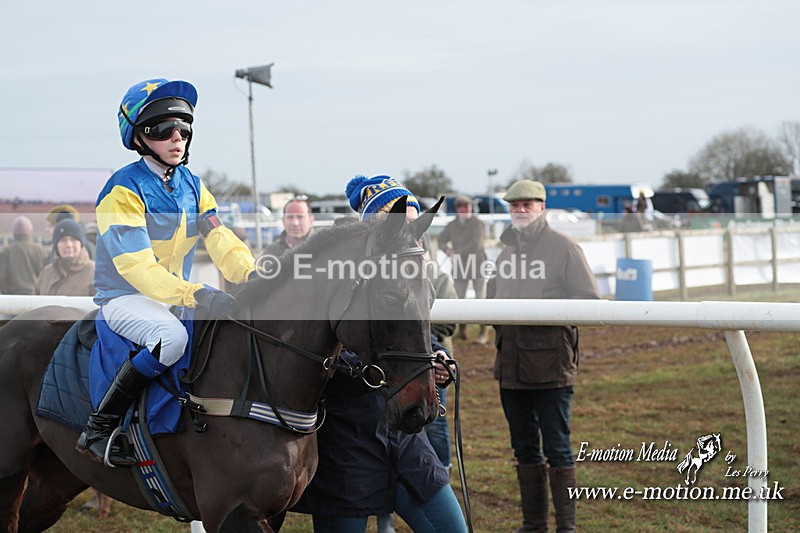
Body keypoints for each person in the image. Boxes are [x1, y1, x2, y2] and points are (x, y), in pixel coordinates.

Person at [77, 78, 257, 466]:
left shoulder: (193, 185)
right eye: (163, 130)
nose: (177, 138)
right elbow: (137, 267)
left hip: (173, 294)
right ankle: (101, 426)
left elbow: (218, 236)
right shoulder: (121, 190)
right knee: (171, 338)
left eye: (184, 129)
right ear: (139, 137)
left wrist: (251, 273)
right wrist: (196, 294)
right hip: (126, 297)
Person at [291, 175, 466, 533]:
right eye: (401, 223)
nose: (410, 233)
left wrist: (434, 359)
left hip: (403, 439)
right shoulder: (334, 278)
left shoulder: (408, 276)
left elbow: (413, 335)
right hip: (346, 445)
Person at [490, 179, 600, 532]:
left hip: (551, 367)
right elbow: (492, 304)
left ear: (542, 207)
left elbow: (588, 303)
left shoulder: (564, 248)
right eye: (514, 205)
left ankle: (566, 528)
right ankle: (534, 524)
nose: (520, 210)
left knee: (557, 447)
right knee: (523, 448)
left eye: (527, 204)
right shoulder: (505, 253)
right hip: (510, 368)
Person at [437, 194, 488, 343]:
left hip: (477, 265)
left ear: (471, 207)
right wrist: (447, 250)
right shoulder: (452, 225)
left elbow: (476, 244)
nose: (465, 208)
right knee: (458, 299)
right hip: (459, 267)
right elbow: (441, 240)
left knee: (481, 299)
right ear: (457, 208)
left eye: (467, 206)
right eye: (461, 206)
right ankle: (462, 331)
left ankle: (483, 333)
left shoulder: (478, 223)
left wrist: (456, 252)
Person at [35, 219, 95, 297]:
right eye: (63, 240)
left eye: (73, 239)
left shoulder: (95, 272)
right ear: (56, 245)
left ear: (81, 244)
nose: (69, 245)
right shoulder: (46, 273)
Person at [0, 216, 48, 295]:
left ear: (14, 232)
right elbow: (47, 277)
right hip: (36, 297)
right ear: (30, 231)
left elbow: (2, 277)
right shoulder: (41, 251)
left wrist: (6, 293)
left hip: (13, 297)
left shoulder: (6, 252)